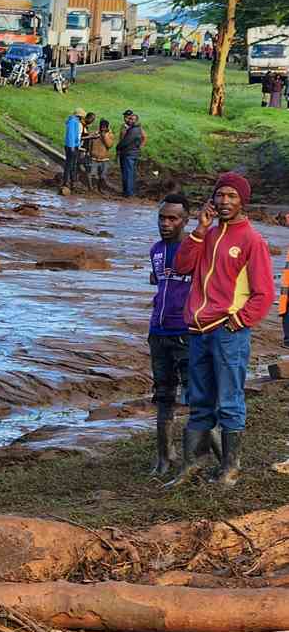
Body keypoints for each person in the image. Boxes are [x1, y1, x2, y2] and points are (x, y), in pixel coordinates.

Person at [164, 172, 273, 489]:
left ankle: (230, 470)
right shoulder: (207, 235)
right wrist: (199, 229)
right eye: (220, 195)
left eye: (232, 196)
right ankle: (192, 468)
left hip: (228, 333)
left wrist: (237, 321)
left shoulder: (252, 240)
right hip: (199, 330)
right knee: (198, 400)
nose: (225, 201)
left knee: (229, 401)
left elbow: (264, 293)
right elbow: (183, 266)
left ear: (242, 201)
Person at [148, 193, 193, 477]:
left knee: (196, 400)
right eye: (162, 218)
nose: (166, 223)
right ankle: (165, 458)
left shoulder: (196, 250)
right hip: (158, 333)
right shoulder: (155, 250)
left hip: (187, 334)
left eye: (172, 218)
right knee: (163, 396)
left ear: (185, 221)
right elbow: (158, 283)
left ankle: (198, 460)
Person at [117, 110, 146, 198]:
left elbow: (126, 141)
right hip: (131, 152)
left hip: (129, 153)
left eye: (131, 119)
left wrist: (118, 147)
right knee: (130, 173)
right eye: (128, 118)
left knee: (128, 173)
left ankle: (129, 192)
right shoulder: (131, 128)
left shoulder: (135, 129)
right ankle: (129, 191)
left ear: (136, 120)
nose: (129, 120)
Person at [87, 118, 114, 193]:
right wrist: (89, 153)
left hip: (104, 159)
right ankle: (92, 188)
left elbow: (109, 145)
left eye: (104, 127)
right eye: (102, 126)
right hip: (94, 158)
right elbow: (90, 144)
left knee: (102, 176)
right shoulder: (95, 134)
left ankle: (100, 189)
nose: (103, 128)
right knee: (93, 174)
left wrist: (104, 136)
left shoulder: (110, 135)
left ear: (107, 127)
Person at [62, 108, 83, 190]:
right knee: (69, 164)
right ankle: (66, 182)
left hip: (73, 145)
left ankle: (71, 182)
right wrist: (72, 147)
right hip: (71, 146)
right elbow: (71, 135)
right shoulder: (72, 122)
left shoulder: (74, 121)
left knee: (72, 164)